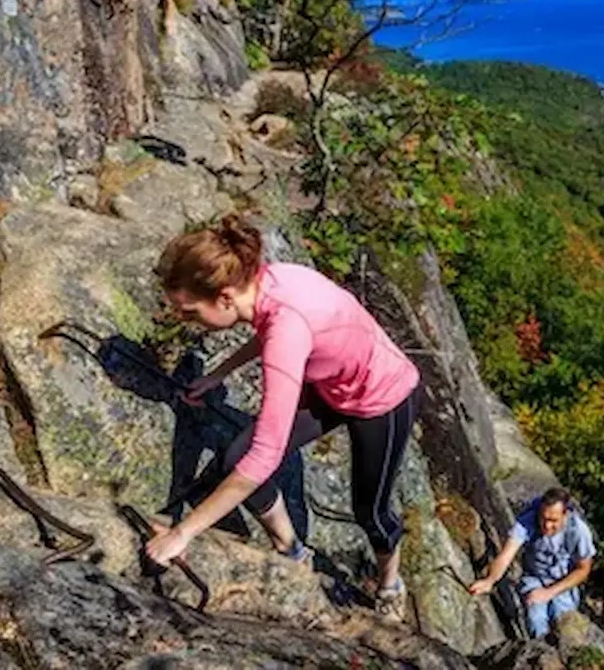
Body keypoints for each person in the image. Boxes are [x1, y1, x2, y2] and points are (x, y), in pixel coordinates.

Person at [143, 213, 421, 623]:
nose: (187, 321)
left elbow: (266, 453)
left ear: (224, 298)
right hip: (331, 385)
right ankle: (292, 550)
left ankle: (390, 585)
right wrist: (218, 374)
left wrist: (183, 532)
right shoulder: (269, 281)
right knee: (236, 456)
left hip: (383, 398)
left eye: (191, 312)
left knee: (371, 511)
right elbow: (271, 331)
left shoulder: (286, 327)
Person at [468, 487, 596, 640]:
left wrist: (549, 592)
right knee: (536, 616)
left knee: (562, 618)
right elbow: (506, 554)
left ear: (565, 515)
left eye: (553, 521)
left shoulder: (578, 531)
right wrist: (490, 580)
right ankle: (540, 648)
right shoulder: (528, 520)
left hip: (563, 582)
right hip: (535, 577)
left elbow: (583, 569)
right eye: (544, 518)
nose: (547, 525)